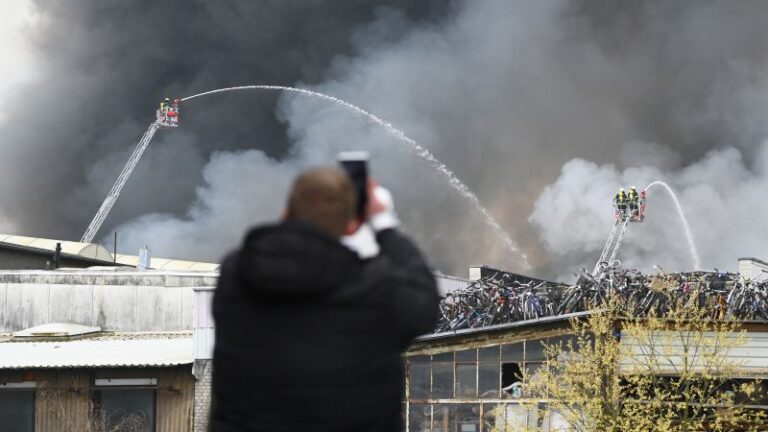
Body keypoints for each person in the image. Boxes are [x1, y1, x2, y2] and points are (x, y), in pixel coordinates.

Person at [212, 167, 440, 432]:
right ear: (352, 225)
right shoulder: (373, 286)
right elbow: (424, 305)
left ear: (286, 214)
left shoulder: (235, 276)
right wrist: (384, 224)